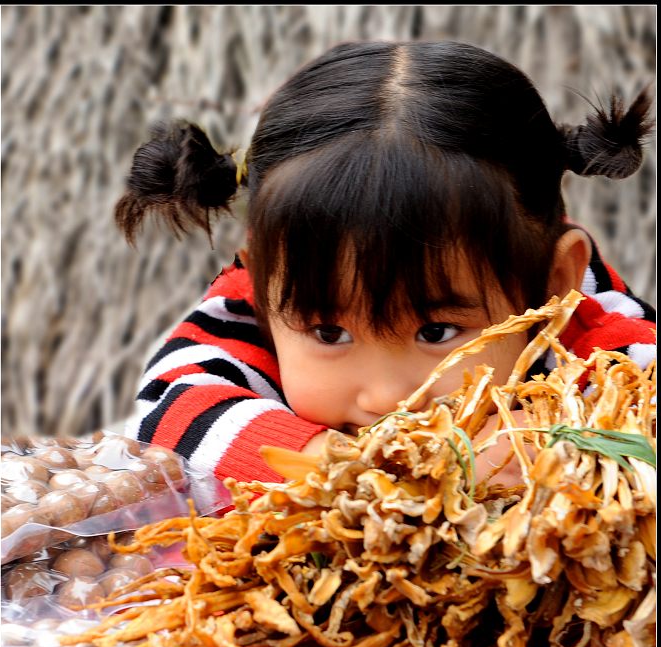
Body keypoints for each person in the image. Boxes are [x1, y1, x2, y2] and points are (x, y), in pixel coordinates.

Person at [115, 40, 655, 488]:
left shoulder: (586, 315)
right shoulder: (265, 294)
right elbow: (169, 409)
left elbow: (645, 397)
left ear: (551, 283)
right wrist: (334, 467)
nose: (390, 399)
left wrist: (551, 432)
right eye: (329, 334)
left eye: (437, 330)